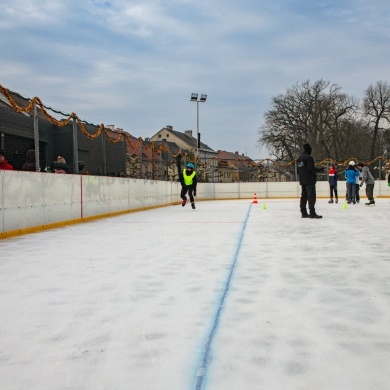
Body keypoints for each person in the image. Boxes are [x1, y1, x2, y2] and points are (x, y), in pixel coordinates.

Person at [297, 143, 324, 219]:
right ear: (309, 150)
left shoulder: (299, 159)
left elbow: (298, 171)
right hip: (309, 180)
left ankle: (304, 212)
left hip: (303, 180)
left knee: (304, 196)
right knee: (311, 197)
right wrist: (319, 170)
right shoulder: (309, 158)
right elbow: (311, 169)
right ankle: (312, 213)